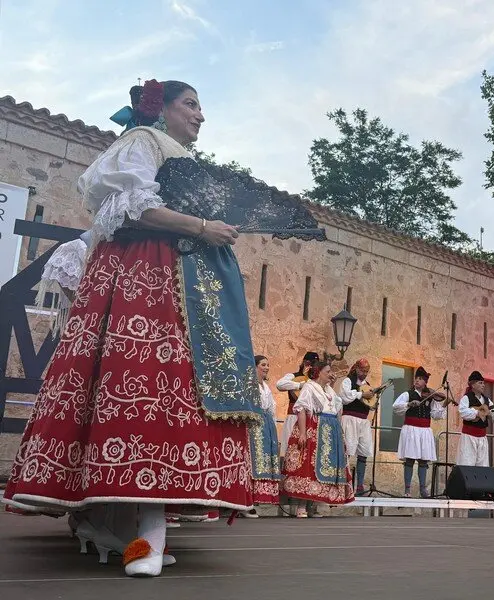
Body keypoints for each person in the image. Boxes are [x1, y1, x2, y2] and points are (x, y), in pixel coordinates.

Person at [3, 79, 312, 577]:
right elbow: (131, 208)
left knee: (170, 392)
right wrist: (201, 226)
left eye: (200, 106)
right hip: (150, 274)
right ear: (161, 108)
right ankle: (135, 531)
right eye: (190, 104)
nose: (200, 115)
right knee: (146, 384)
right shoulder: (142, 141)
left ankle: (120, 526)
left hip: (185, 282)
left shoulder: (178, 156)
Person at [281, 361, 354, 516]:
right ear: (319, 372)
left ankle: (312, 506)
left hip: (330, 430)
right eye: (328, 371)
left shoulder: (329, 389)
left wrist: (338, 432)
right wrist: (302, 433)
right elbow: (301, 409)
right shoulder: (309, 386)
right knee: (309, 466)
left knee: (323, 468)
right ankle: (301, 506)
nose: (330, 374)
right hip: (315, 427)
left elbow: (335, 407)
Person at [393, 367, 446, 498]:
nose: (417, 380)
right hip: (411, 429)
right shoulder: (408, 394)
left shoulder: (430, 396)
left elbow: (436, 414)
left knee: (423, 461)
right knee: (410, 460)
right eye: (416, 378)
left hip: (425, 431)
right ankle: (407, 490)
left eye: (421, 379)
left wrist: (445, 405)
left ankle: (423, 490)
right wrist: (408, 404)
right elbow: (396, 407)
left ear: (425, 382)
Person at [239, 355, 282, 518]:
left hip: (266, 425)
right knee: (253, 461)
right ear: (255, 366)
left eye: (268, 365)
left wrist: (273, 429)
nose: (266, 368)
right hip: (253, 425)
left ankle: (253, 500)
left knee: (263, 461)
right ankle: (245, 502)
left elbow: (271, 408)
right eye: (263, 365)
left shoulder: (266, 387)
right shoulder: (249, 384)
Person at [339, 358, 376, 495]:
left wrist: (372, 404)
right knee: (347, 451)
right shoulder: (348, 381)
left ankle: (359, 485)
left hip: (363, 421)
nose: (364, 374)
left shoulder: (367, 385)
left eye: (367, 371)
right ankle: (344, 484)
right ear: (356, 369)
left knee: (363, 452)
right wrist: (361, 394)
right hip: (350, 419)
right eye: (362, 371)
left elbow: (369, 401)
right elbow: (344, 397)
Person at [456, 371, 494, 467]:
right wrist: (477, 413)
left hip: (482, 437)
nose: (483, 385)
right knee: (467, 464)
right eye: (480, 383)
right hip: (469, 437)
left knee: (482, 466)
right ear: (473, 385)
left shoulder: (487, 400)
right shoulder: (466, 398)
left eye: (483, 383)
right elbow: (463, 412)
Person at [276, 351, 319, 455]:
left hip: (310, 418)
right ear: (305, 363)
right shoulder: (293, 376)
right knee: (290, 446)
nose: (312, 367)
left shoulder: (316, 380)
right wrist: (299, 385)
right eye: (310, 364)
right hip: (293, 416)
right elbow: (280, 384)